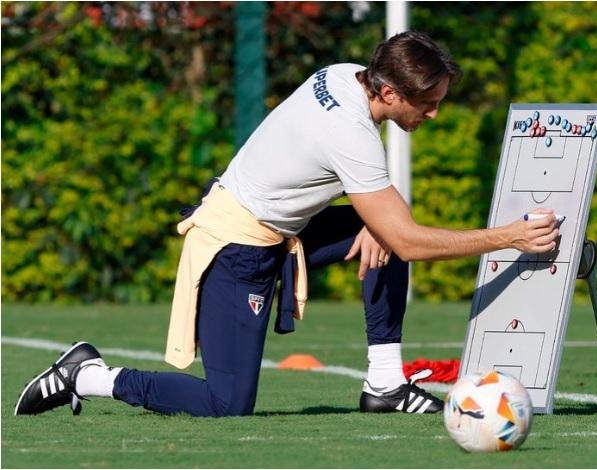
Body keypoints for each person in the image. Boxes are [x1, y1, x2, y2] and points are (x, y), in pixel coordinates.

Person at [15, 31, 559, 418]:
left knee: (386, 231)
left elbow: (392, 229)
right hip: (237, 246)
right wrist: (508, 237)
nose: (434, 113)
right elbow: (410, 244)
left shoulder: (346, 75)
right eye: (429, 103)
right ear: (389, 93)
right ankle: (89, 375)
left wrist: (382, 225)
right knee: (225, 404)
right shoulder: (350, 131)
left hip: (283, 228)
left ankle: (386, 385)